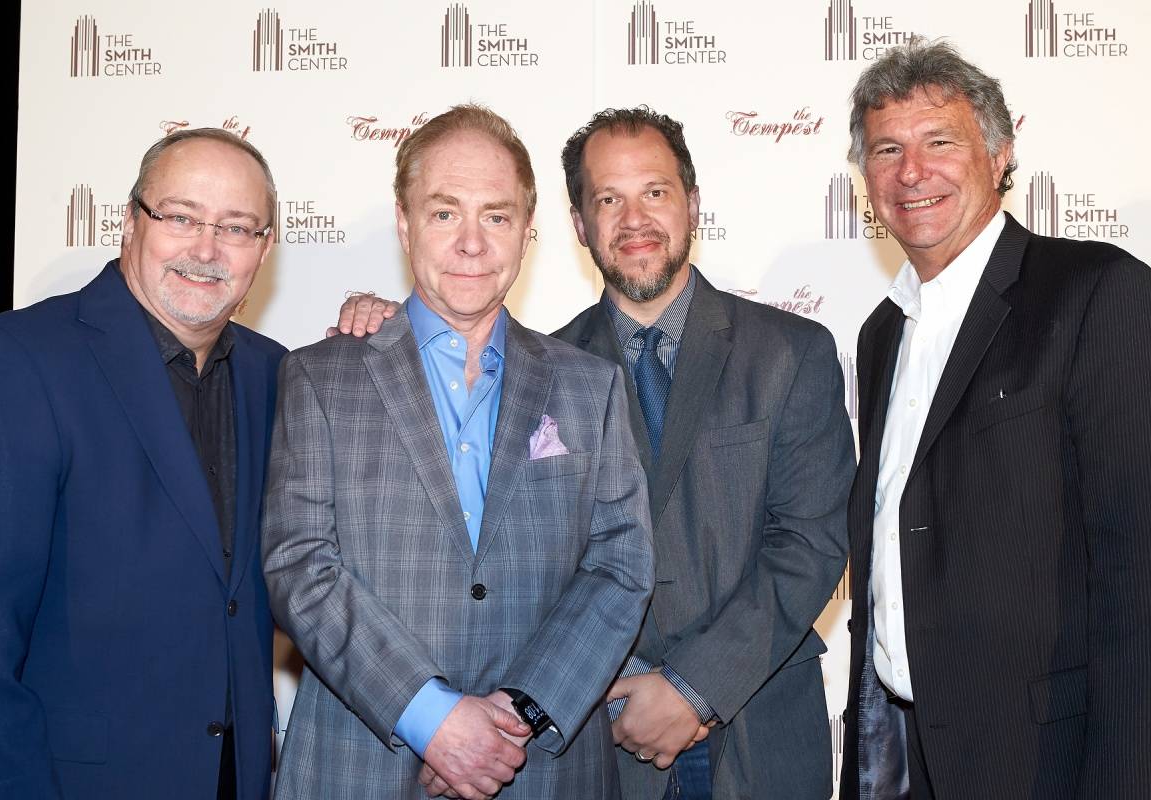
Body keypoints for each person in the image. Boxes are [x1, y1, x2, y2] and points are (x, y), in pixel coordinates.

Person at [339, 106, 855, 800]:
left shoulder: (791, 353)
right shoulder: (531, 372)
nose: (634, 219)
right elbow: (508, 568)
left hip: (757, 730)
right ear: (577, 224)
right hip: (593, 744)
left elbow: (811, 543)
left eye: (655, 192)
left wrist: (692, 687)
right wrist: (386, 324)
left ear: (693, 204)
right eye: (607, 199)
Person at [263, 104, 655, 800]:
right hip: (361, 766)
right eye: (445, 213)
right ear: (403, 221)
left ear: (528, 232)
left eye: (497, 216)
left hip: (544, 770)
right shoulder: (319, 377)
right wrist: (433, 718)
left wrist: (519, 712)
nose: (472, 242)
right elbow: (300, 565)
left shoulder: (588, 386)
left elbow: (620, 567)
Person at [840, 39, 1150, 799]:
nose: (911, 172)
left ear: (1001, 151)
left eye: (938, 141)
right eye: (887, 149)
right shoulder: (882, 332)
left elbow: (1135, 570)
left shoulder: (1095, 292)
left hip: (1046, 759)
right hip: (903, 755)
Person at [0, 128, 285, 799]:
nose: (206, 248)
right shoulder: (16, 360)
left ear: (265, 248)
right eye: (181, 216)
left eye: (237, 227)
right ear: (130, 222)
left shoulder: (276, 375)